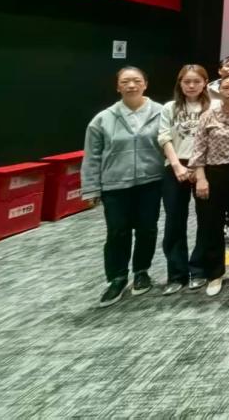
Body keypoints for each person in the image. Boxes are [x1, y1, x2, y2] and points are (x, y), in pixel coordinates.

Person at [81, 67, 164, 307]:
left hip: (151, 182)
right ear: (118, 87)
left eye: (137, 81)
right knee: (117, 231)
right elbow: (92, 156)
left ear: (145, 84)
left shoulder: (161, 112)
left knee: (147, 229)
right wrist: (91, 188)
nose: (131, 85)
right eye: (125, 82)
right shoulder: (102, 118)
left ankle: (141, 271)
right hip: (115, 185)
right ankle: (117, 278)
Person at [189, 73, 229, 296]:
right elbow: (198, 150)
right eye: (226, 87)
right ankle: (214, 273)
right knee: (211, 224)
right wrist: (201, 178)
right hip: (212, 174)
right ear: (219, 90)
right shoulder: (208, 115)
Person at [158, 64, 215, 294]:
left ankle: (199, 270)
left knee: (207, 220)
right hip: (175, 168)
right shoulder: (169, 108)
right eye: (187, 82)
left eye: (196, 81)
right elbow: (164, 138)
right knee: (174, 221)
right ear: (180, 84)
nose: (191, 86)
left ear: (205, 83)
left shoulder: (214, 106)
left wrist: (197, 169)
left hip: (205, 168)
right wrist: (177, 166)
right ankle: (176, 274)